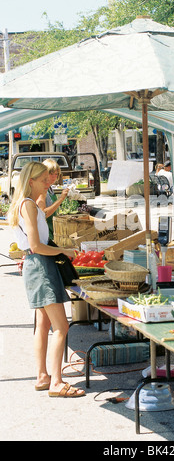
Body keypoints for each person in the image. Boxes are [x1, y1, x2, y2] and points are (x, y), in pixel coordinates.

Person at [8, 162, 85, 398]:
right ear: (30, 181)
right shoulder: (29, 205)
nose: (47, 182)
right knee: (61, 326)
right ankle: (57, 382)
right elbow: (36, 246)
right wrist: (64, 251)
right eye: (43, 179)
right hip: (40, 266)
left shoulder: (26, 204)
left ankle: (43, 376)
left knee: (42, 325)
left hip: (35, 265)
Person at [36, 159, 69, 240]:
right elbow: (43, 214)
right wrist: (60, 199)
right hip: (46, 232)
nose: (54, 177)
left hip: (52, 229)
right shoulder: (42, 190)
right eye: (51, 174)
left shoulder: (49, 188)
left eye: (56, 174)